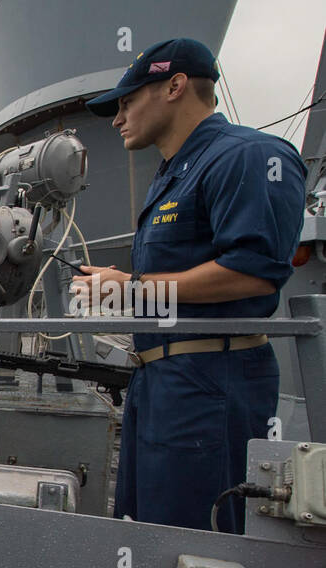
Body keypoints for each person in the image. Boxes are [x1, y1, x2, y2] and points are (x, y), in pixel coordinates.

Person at [76, 37, 306, 533]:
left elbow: (253, 272)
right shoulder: (173, 175)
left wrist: (130, 287)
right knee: (146, 527)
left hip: (210, 381)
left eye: (128, 101)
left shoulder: (249, 156)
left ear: (175, 86)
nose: (118, 119)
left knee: (196, 536)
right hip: (160, 381)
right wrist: (122, 289)